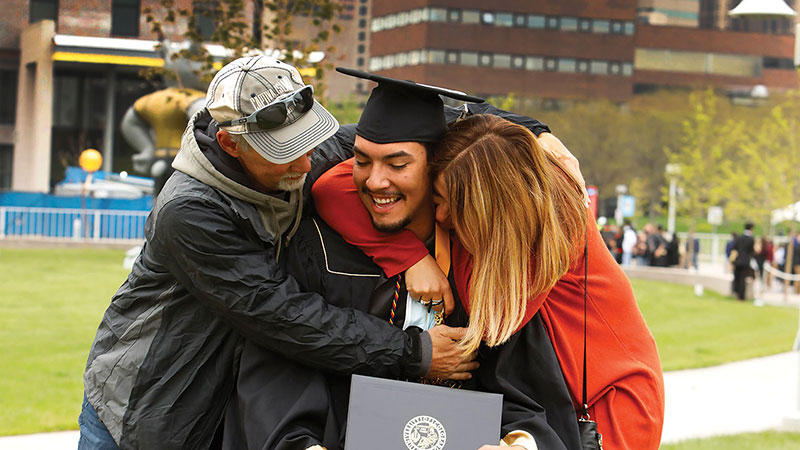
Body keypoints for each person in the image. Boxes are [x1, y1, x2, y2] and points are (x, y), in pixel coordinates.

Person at [78, 56, 473, 450]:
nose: (307, 162)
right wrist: (412, 351)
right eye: (284, 151)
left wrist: (530, 130)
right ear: (230, 144)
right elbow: (282, 314)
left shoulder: (295, 153)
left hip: (229, 402)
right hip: (148, 410)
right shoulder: (190, 211)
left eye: (307, 141)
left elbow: (424, 124)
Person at [223, 70, 583, 450]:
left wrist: (519, 444)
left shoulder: (483, 260)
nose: (375, 182)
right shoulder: (316, 250)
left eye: (397, 165)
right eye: (361, 161)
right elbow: (279, 367)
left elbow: (525, 394)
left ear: (438, 169)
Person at [315, 114, 666, 450]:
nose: (437, 216)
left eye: (445, 204)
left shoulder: (549, 224)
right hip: (547, 393)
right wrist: (412, 258)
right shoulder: (490, 184)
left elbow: (490, 323)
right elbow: (331, 188)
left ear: (488, 207)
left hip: (604, 400)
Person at [120, 87, 206, 196]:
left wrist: (147, 149)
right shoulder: (192, 98)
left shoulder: (151, 100)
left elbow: (129, 122)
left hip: (170, 159)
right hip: (181, 159)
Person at [731, 223, 755, 301]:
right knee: (742, 279)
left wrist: (732, 260)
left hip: (737, 261)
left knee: (736, 277)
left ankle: (736, 293)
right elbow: (751, 252)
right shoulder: (751, 239)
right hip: (745, 262)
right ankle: (741, 297)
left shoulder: (739, 238)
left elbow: (734, 249)